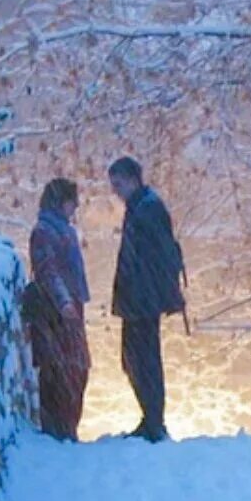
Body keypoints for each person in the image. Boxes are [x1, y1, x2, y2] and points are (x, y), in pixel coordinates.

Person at [109, 156, 186, 442]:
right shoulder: (142, 206)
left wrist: (147, 294)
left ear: (131, 179)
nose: (115, 191)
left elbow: (155, 256)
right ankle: (150, 418)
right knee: (136, 359)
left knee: (143, 360)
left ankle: (153, 421)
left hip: (142, 301)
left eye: (117, 184)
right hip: (139, 299)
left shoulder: (147, 209)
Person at [28, 177, 91, 441]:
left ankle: (66, 427)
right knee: (60, 370)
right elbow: (48, 271)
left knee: (75, 368)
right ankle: (58, 429)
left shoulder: (63, 230)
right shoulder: (44, 231)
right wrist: (63, 300)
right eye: (70, 202)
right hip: (54, 313)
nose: (74, 207)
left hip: (69, 309)